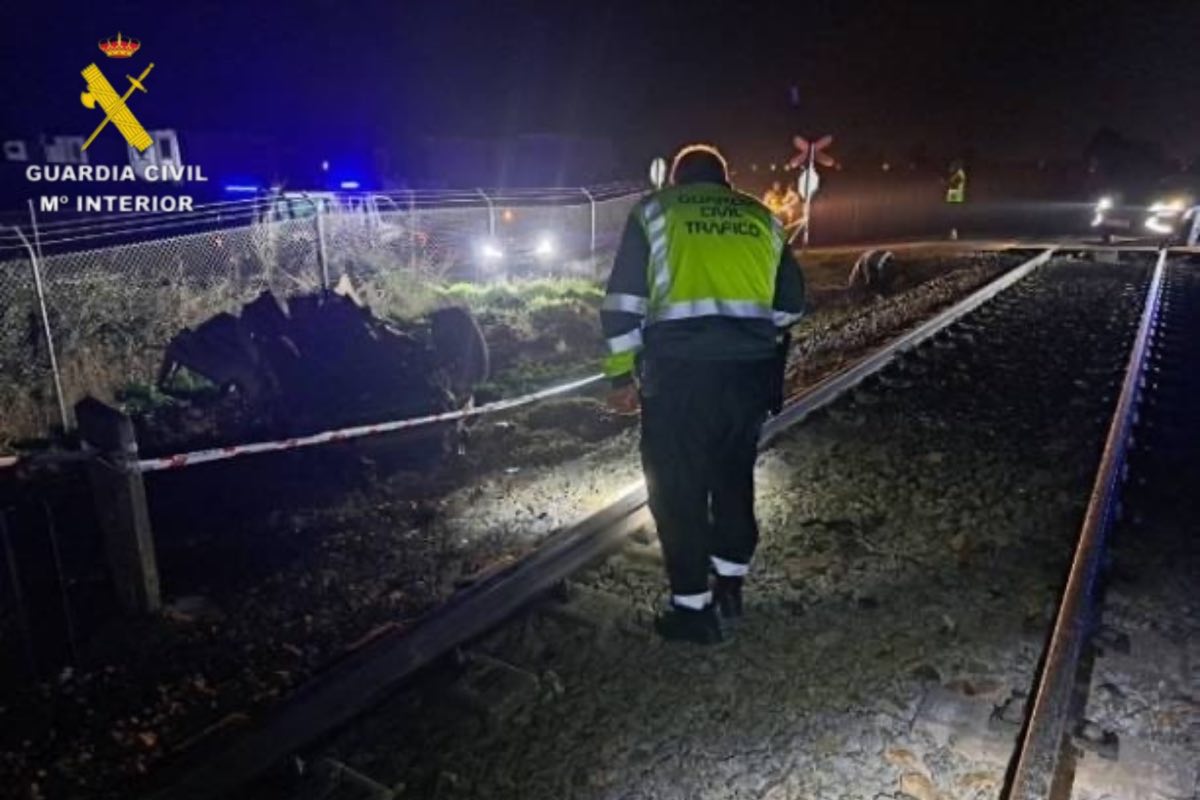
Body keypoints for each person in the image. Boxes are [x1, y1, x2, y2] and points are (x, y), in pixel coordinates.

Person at [601, 144, 806, 644]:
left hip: (677, 377)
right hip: (747, 375)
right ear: (725, 180)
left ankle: (692, 610)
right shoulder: (761, 217)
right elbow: (791, 307)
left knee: (677, 488)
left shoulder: (655, 213)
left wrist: (620, 378)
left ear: (676, 179)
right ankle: (730, 587)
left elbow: (623, 303)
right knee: (733, 478)